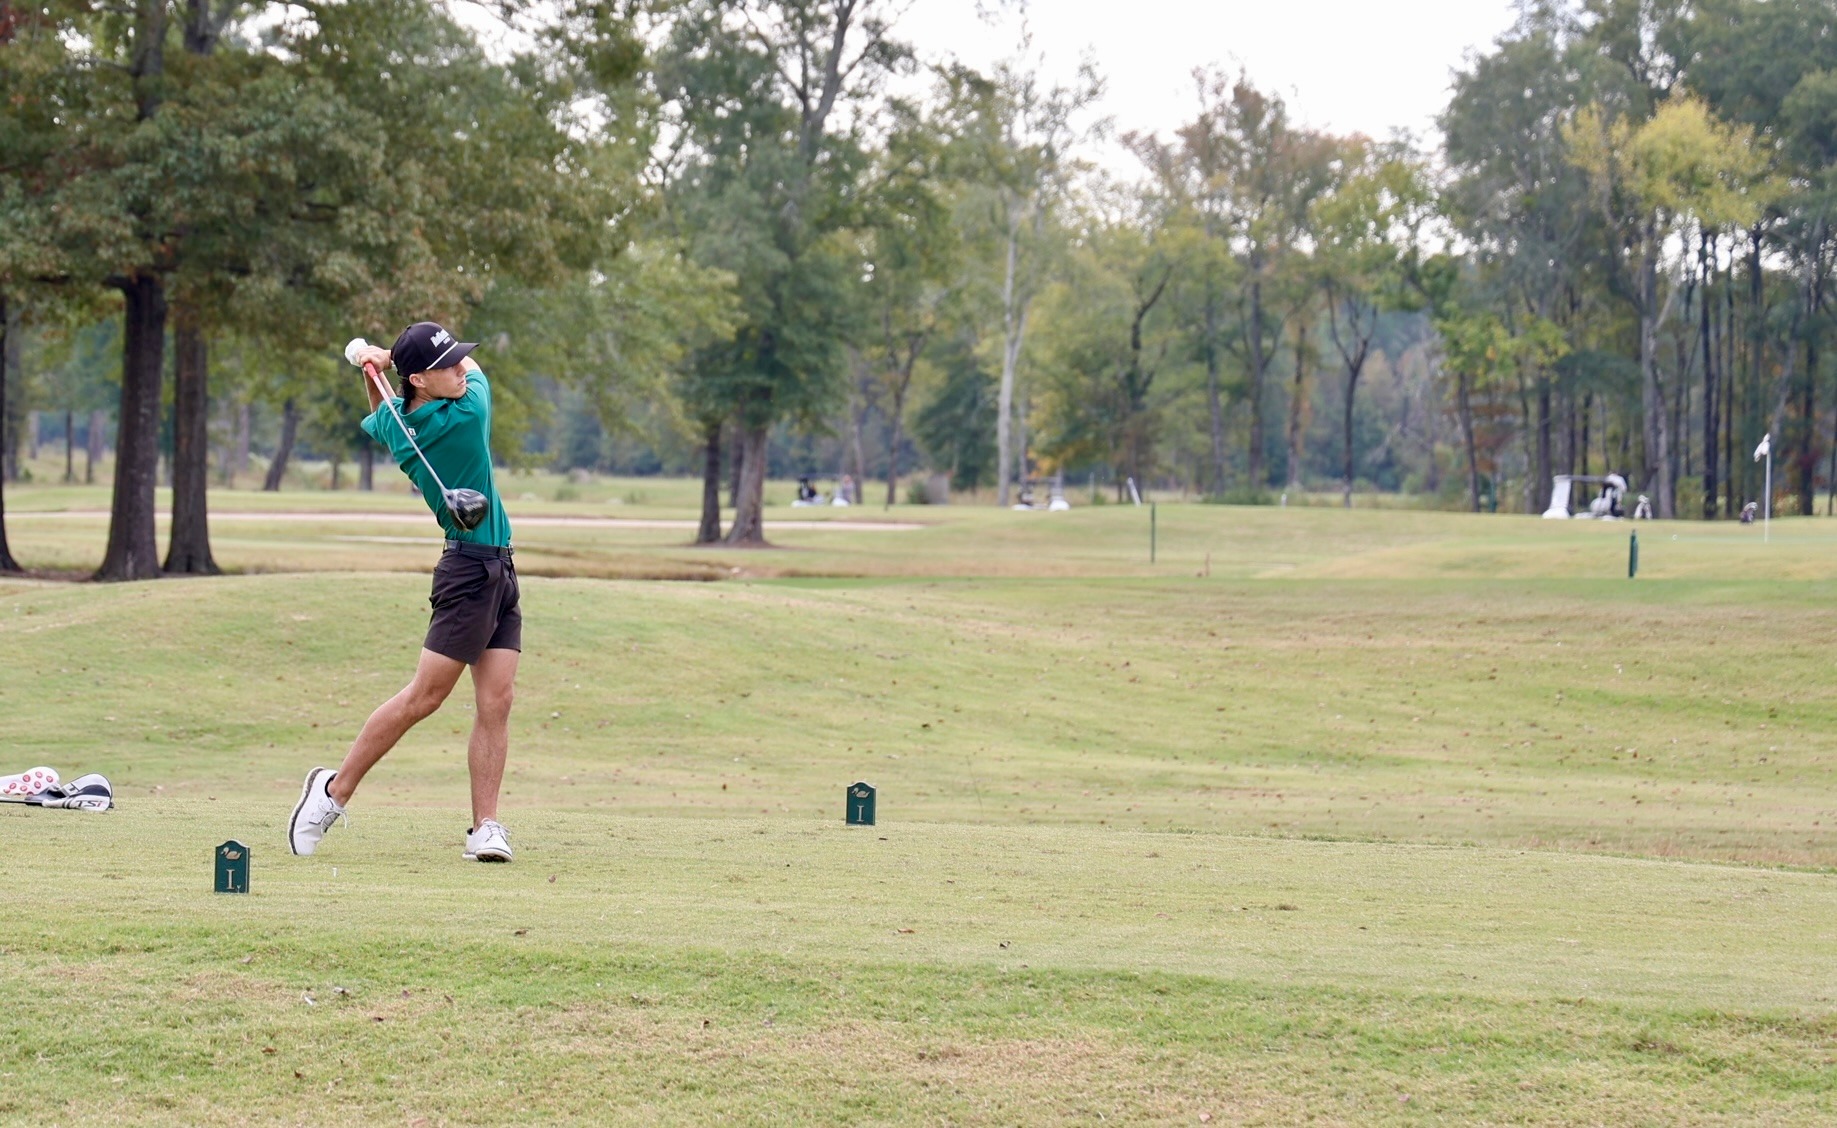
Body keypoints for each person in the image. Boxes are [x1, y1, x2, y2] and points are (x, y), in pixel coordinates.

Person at [288, 322, 521, 863]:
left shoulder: (403, 428)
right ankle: (331, 792)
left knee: (497, 700)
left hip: (499, 567)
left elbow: (383, 412)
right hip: (468, 572)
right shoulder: (468, 413)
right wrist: (387, 356)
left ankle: (485, 827)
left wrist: (377, 365)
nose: (460, 367)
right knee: (425, 697)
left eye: (459, 358)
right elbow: (476, 374)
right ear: (418, 378)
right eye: (447, 364)